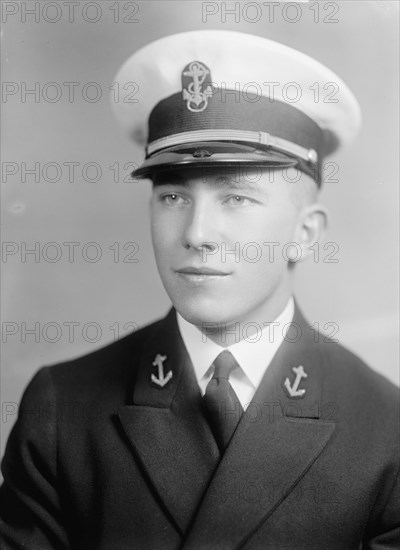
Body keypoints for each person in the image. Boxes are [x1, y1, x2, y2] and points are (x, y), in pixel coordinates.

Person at [1, 30, 399, 549]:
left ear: (305, 234)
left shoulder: (384, 430)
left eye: (236, 197)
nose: (196, 234)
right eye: (171, 195)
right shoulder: (62, 410)